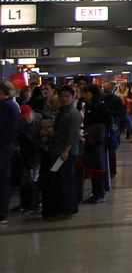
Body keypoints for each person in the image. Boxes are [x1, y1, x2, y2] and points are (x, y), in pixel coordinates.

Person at [40, 85, 81, 221]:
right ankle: (63, 207)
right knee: (58, 180)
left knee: (65, 181)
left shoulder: (73, 114)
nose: (64, 99)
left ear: (73, 97)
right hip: (57, 149)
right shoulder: (62, 112)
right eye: (62, 96)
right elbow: (61, 131)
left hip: (66, 153)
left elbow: (72, 135)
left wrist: (65, 151)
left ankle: (66, 209)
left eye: (67, 97)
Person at [80, 84, 112, 203]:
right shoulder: (88, 107)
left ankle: (100, 192)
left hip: (99, 141)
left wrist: (101, 134)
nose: (85, 95)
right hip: (90, 140)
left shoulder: (100, 107)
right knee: (93, 166)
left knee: (99, 166)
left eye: (87, 93)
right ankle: (96, 191)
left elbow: (108, 122)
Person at [0, 81, 21, 224]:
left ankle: (1, 212)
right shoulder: (12, 105)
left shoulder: (6, 107)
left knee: (2, 179)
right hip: (7, 145)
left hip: (3, 145)